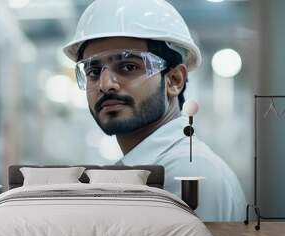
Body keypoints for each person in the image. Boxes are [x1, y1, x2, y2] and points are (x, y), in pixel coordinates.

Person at [63, 0, 246, 221]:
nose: (105, 84)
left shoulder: (188, 175)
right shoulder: (147, 171)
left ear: (174, 80)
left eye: (128, 67)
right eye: (93, 71)